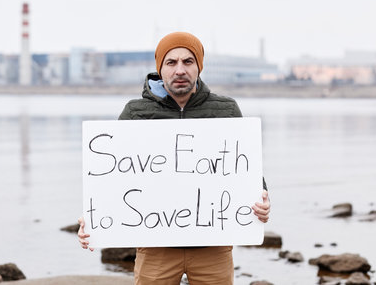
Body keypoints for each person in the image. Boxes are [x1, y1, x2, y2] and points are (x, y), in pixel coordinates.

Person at [78, 32, 271, 285]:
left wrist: (262, 200)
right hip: (155, 247)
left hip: (212, 247)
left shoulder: (226, 110)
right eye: (172, 62)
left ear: (199, 67)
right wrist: (93, 218)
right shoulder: (136, 112)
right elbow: (112, 176)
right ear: (160, 67)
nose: (180, 70)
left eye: (188, 62)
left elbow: (245, 169)